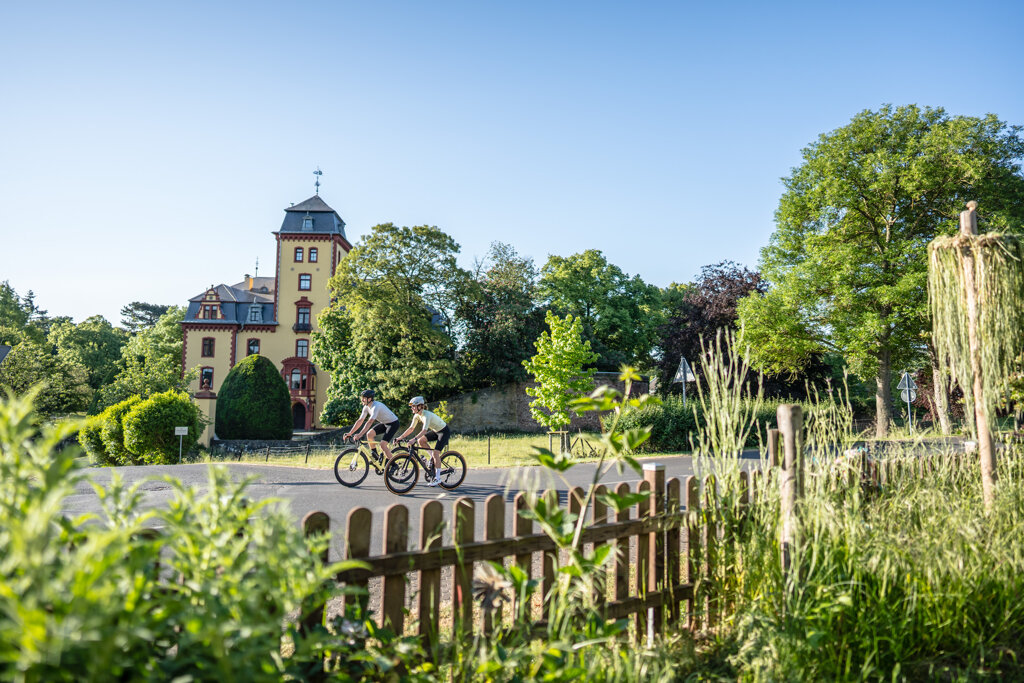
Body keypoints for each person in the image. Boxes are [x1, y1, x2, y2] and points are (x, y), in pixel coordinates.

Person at [397, 396, 449, 487]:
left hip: (444, 431)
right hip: (436, 431)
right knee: (421, 441)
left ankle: (438, 478)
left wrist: (413, 439)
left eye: (413, 406)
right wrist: (399, 438)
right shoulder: (417, 415)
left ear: (420, 406)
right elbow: (411, 428)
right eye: (412, 406)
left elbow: (424, 431)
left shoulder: (426, 415)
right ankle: (432, 458)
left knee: (436, 453)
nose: (412, 408)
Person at [345, 389, 400, 462]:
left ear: (370, 399)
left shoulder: (376, 406)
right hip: (384, 423)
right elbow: (360, 420)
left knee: (382, 445)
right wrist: (350, 433)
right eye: (362, 398)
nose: (362, 400)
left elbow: (370, 422)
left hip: (393, 423)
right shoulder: (366, 407)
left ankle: (393, 464)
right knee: (369, 434)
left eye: (364, 398)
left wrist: (360, 434)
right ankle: (375, 456)